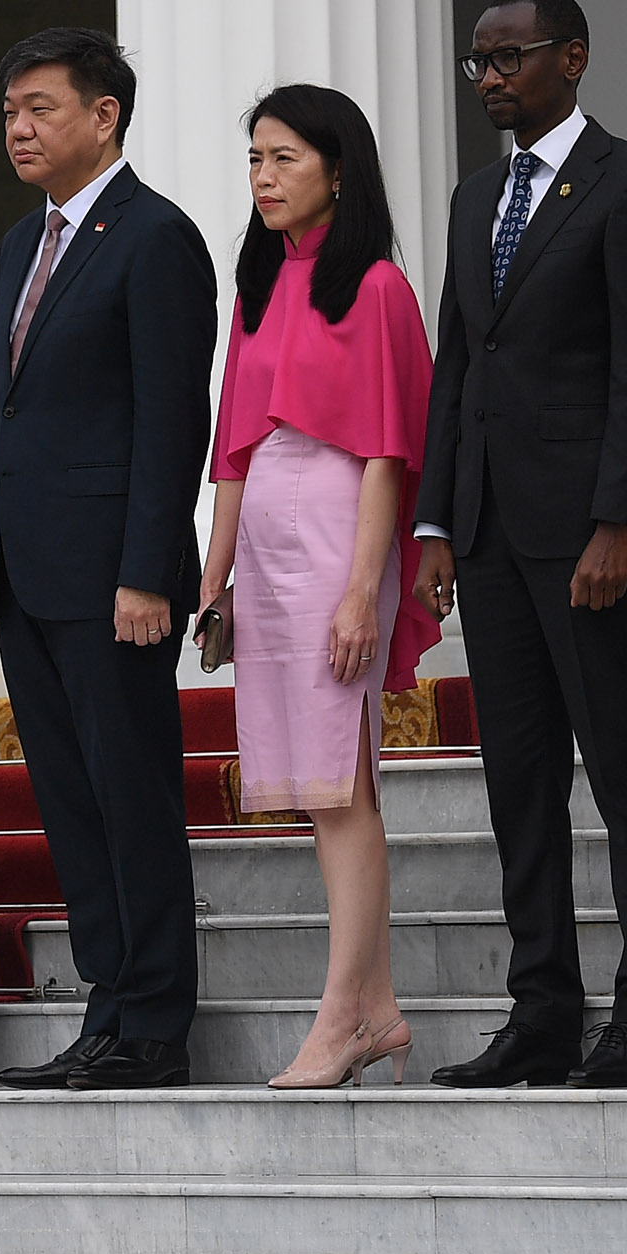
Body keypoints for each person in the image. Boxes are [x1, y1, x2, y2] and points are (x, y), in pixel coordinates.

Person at [411, 0, 627, 1091]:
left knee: (622, 769)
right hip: (485, 532)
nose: (488, 76)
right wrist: (437, 521)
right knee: (517, 779)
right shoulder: (475, 195)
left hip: (586, 535)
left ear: (570, 59)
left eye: (509, 57)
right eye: (476, 60)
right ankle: (541, 1010)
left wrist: (615, 520)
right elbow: (457, 370)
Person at [0, 28, 219, 1093]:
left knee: (130, 796)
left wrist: (146, 573)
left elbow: (171, 417)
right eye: (8, 113)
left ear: (103, 115)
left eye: (38, 107)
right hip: (29, 576)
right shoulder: (18, 246)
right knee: (70, 803)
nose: (18, 129)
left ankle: (154, 1024)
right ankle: (104, 1009)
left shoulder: (152, 236)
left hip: (113, 578)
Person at [196, 86, 439, 1090]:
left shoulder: (375, 286)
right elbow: (233, 456)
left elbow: (389, 450)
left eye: (284, 158)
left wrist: (360, 594)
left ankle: (340, 1016)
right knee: (319, 790)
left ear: (338, 169)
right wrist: (212, 585)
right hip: (266, 542)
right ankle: (375, 1009)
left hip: (343, 534)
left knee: (341, 785)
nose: (263, 177)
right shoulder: (255, 291)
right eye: (254, 158)